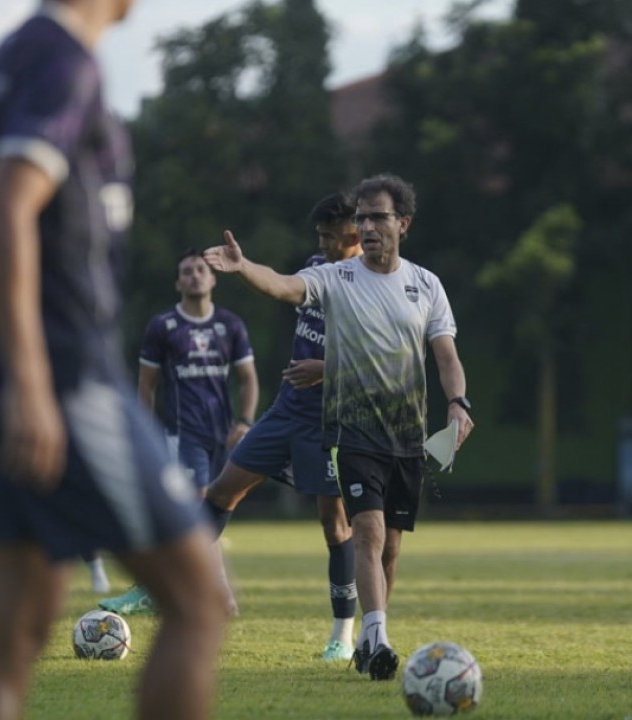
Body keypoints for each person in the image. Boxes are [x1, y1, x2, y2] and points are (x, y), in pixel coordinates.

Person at [0, 2, 228, 719]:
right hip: (61, 380)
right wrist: (32, 382)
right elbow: (4, 208)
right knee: (197, 600)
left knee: (10, 635)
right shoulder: (63, 62)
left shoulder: (17, 52)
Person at [203, 173, 474, 681]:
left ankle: (369, 634)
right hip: (351, 430)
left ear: (403, 223)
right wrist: (244, 268)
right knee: (366, 531)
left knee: (390, 546)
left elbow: (446, 356)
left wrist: (457, 402)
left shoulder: (426, 284)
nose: (368, 226)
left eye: (378, 218)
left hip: (405, 433)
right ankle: (377, 638)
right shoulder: (335, 278)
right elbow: (284, 286)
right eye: (362, 218)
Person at [201, 192, 363, 662]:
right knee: (221, 492)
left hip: (331, 421)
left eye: (330, 236)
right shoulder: (317, 266)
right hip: (286, 412)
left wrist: (325, 369)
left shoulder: (373, 283)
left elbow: (384, 360)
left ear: (354, 233)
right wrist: (243, 266)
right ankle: (168, 582)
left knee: (334, 526)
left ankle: (343, 634)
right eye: (320, 236)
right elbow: (279, 284)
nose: (323, 244)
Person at [99, 249, 259, 615]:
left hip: (223, 435)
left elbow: (248, 379)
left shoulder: (230, 325)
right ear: (177, 282)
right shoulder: (164, 326)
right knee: (195, 507)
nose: (194, 276)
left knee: (212, 509)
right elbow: (146, 384)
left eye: (201, 270)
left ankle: (203, 591)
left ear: (213, 278)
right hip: (182, 434)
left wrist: (245, 420)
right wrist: (144, 432)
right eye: (187, 271)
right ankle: (191, 590)